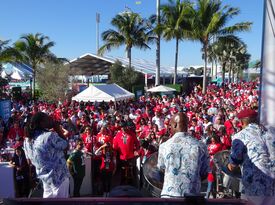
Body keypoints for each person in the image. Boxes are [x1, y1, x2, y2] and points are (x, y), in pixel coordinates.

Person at [157, 112, 210, 198]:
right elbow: (204, 172)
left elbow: (161, 168)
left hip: (169, 196)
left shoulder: (164, 146)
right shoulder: (200, 146)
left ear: (175, 125)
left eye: (170, 125)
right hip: (192, 196)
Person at [227, 109, 275, 199]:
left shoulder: (240, 136)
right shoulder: (272, 133)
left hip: (255, 185)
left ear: (241, 122)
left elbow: (235, 161)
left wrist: (230, 165)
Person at [23, 112, 70, 198]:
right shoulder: (50, 136)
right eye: (48, 119)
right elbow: (66, 145)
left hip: (45, 178)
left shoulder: (27, 140)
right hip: (59, 177)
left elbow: (29, 161)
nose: (51, 120)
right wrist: (58, 129)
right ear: (41, 123)